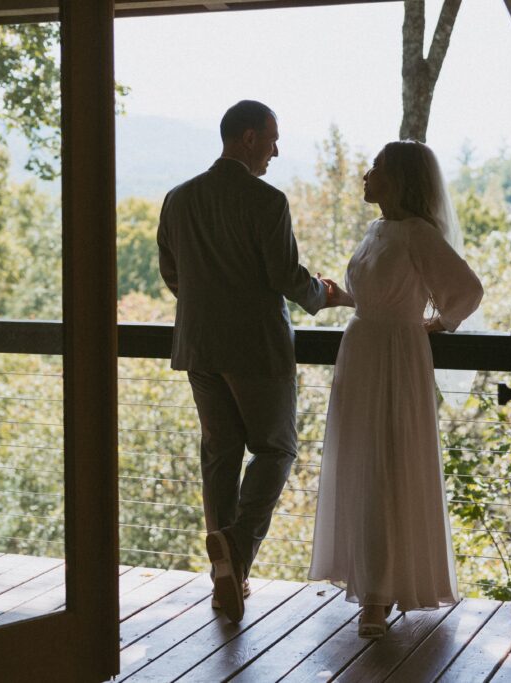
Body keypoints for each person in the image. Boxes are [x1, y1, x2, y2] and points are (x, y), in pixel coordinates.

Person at [157, 100, 344, 623]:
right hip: (257, 349)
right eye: (271, 139)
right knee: (277, 448)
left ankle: (227, 580)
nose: (276, 151)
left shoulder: (178, 199)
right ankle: (235, 551)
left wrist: (206, 305)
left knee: (220, 454)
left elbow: (171, 271)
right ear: (247, 138)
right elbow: (287, 276)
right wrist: (325, 294)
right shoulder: (267, 201)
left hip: (198, 346)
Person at [308, 140, 484, 639]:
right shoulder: (377, 229)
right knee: (362, 463)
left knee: (385, 465)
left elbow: (467, 289)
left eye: (377, 168)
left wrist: (435, 323)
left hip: (394, 358)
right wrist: (344, 298)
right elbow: (378, 295)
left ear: (400, 179)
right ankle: (368, 584)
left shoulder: (417, 234)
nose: (366, 175)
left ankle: (380, 597)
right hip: (362, 351)